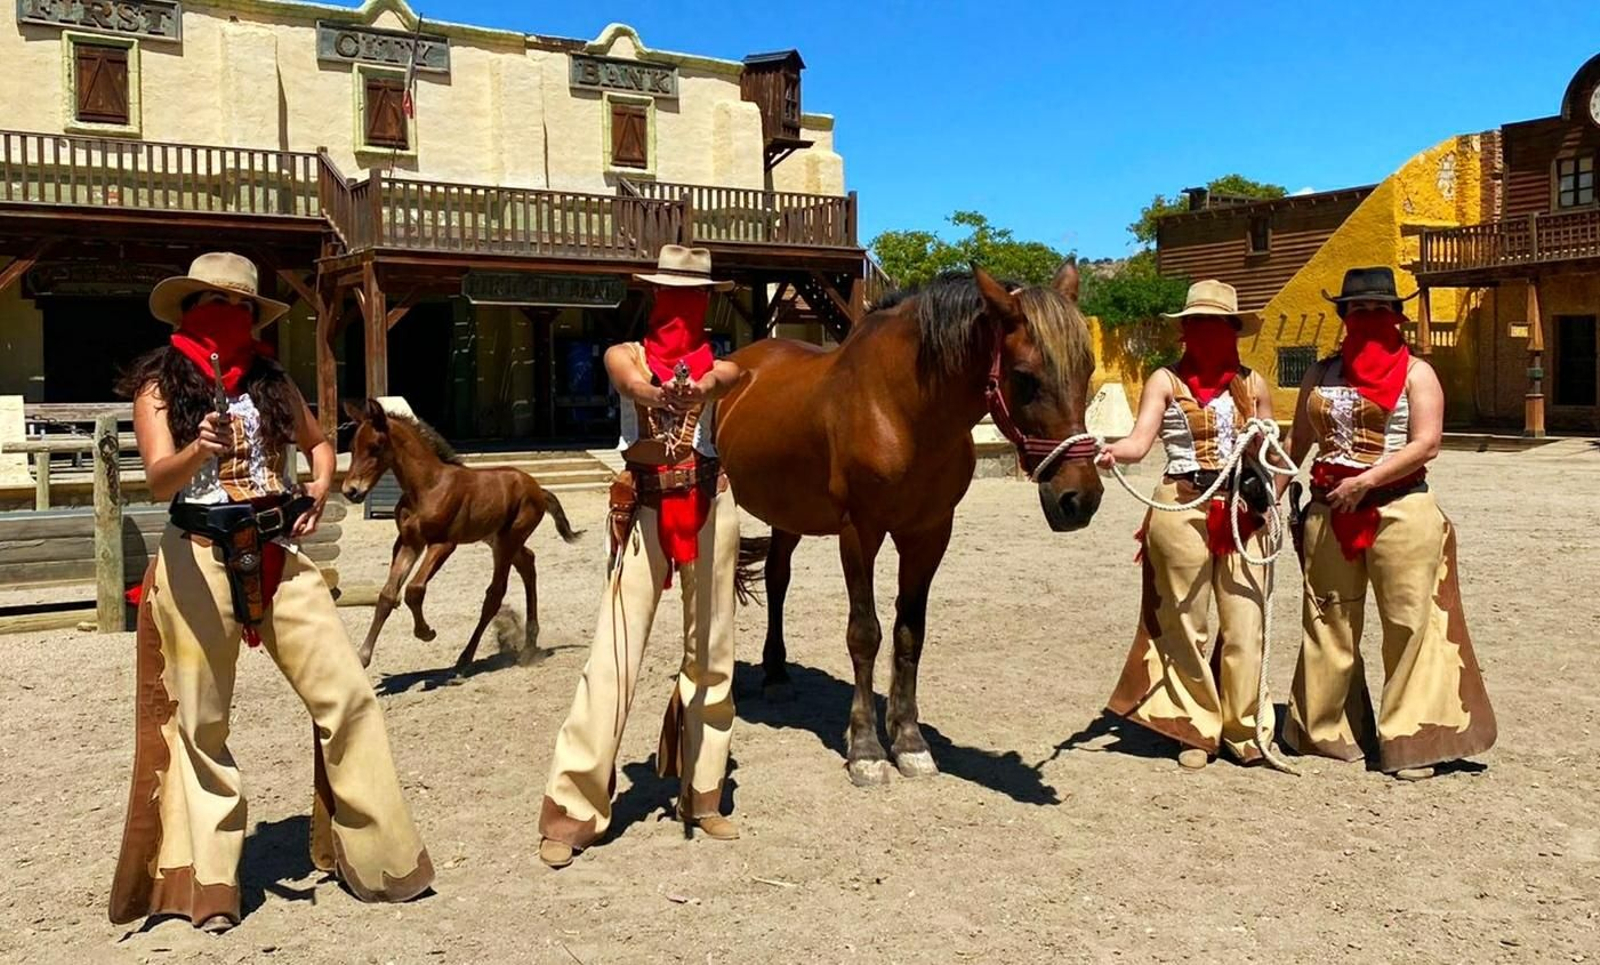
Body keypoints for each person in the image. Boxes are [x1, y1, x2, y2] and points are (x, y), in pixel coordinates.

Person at [109, 253, 433, 932]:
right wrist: (197, 450)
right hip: (198, 552)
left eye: (241, 306)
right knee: (202, 722)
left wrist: (318, 486)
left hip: (276, 550)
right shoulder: (158, 385)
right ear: (190, 307)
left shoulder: (271, 379)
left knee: (347, 693)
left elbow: (319, 445)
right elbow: (159, 481)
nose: (230, 315)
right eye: (215, 303)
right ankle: (210, 882)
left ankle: (379, 856)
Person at [538, 245, 745, 869]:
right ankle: (573, 808)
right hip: (645, 505)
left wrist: (699, 385)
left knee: (712, 653)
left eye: (693, 297)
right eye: (673, 295)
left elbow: (729, 377)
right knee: (614, 656)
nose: (682, 306)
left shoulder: (719, 361)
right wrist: (659, 393)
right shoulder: (624, 353)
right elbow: (629, 382)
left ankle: (703, 793)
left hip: (710, 501)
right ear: (654, 296)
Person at [1282, 267, 1495, 780]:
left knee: (1408, 623)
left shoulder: (1418, 373)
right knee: (1327, 617)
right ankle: (1327, 729)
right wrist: (1267, 491)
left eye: (1379, 309)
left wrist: (1368, 480)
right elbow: (1298, 443)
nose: (1369, 317)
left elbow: (1427, 443)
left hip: (1400, 508)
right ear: (1344, 316)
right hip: (1329, 509)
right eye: (1359, 309)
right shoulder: (1321, 374)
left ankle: (1412, 739)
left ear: (1397, 316)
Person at [1100, 279, 1277, 769]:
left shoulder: (1254, 385)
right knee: (1185, 621)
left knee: (1245, 623)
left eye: (1216, 324)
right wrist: (1113, 453)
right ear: (1186, 329)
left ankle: (1246, 729)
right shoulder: (1164, 381)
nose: (1206, 332)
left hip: (1242, 508)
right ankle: (1195, 728)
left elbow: (1273, 454)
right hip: (1180, 503)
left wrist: (1268, 495)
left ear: (1232, 329)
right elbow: (1140, 441)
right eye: (1198, 323)